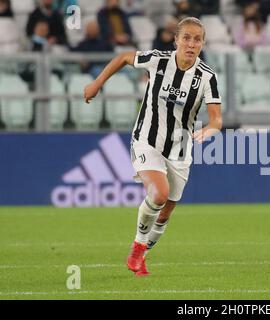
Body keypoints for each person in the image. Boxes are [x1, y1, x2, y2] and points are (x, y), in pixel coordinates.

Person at [83, 17, 223, 277]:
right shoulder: (158, 61)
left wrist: (210, 130)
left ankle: (143, 254)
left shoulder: (207, 77)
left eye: (197, 39)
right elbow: (124, 57)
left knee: (166, 211)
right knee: (159, 193)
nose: (191, 44)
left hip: (180, 151)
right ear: (176, 40)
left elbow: (216, 119)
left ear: (203, 44)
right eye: (187, 38)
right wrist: (97, 83)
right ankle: (137, 246)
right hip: (147, 140)